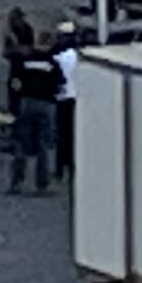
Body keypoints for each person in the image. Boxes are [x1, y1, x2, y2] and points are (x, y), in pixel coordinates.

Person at [10, 29, 62, 194]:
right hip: (46, 104)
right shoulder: (52, 64)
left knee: (21, 142)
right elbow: (60, 84)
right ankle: (42, 184)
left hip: (26, 102)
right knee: (44, 145)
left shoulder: (25, 61)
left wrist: (16, 101)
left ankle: (17, 182)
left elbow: (15, 82)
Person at [52, 22, 81, 181]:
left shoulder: (59, 58)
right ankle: (72, 166)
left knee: (62, 136)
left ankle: (59, 169)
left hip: (62, 98)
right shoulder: (79, 56)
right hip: (76, 97)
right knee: (72, 135)